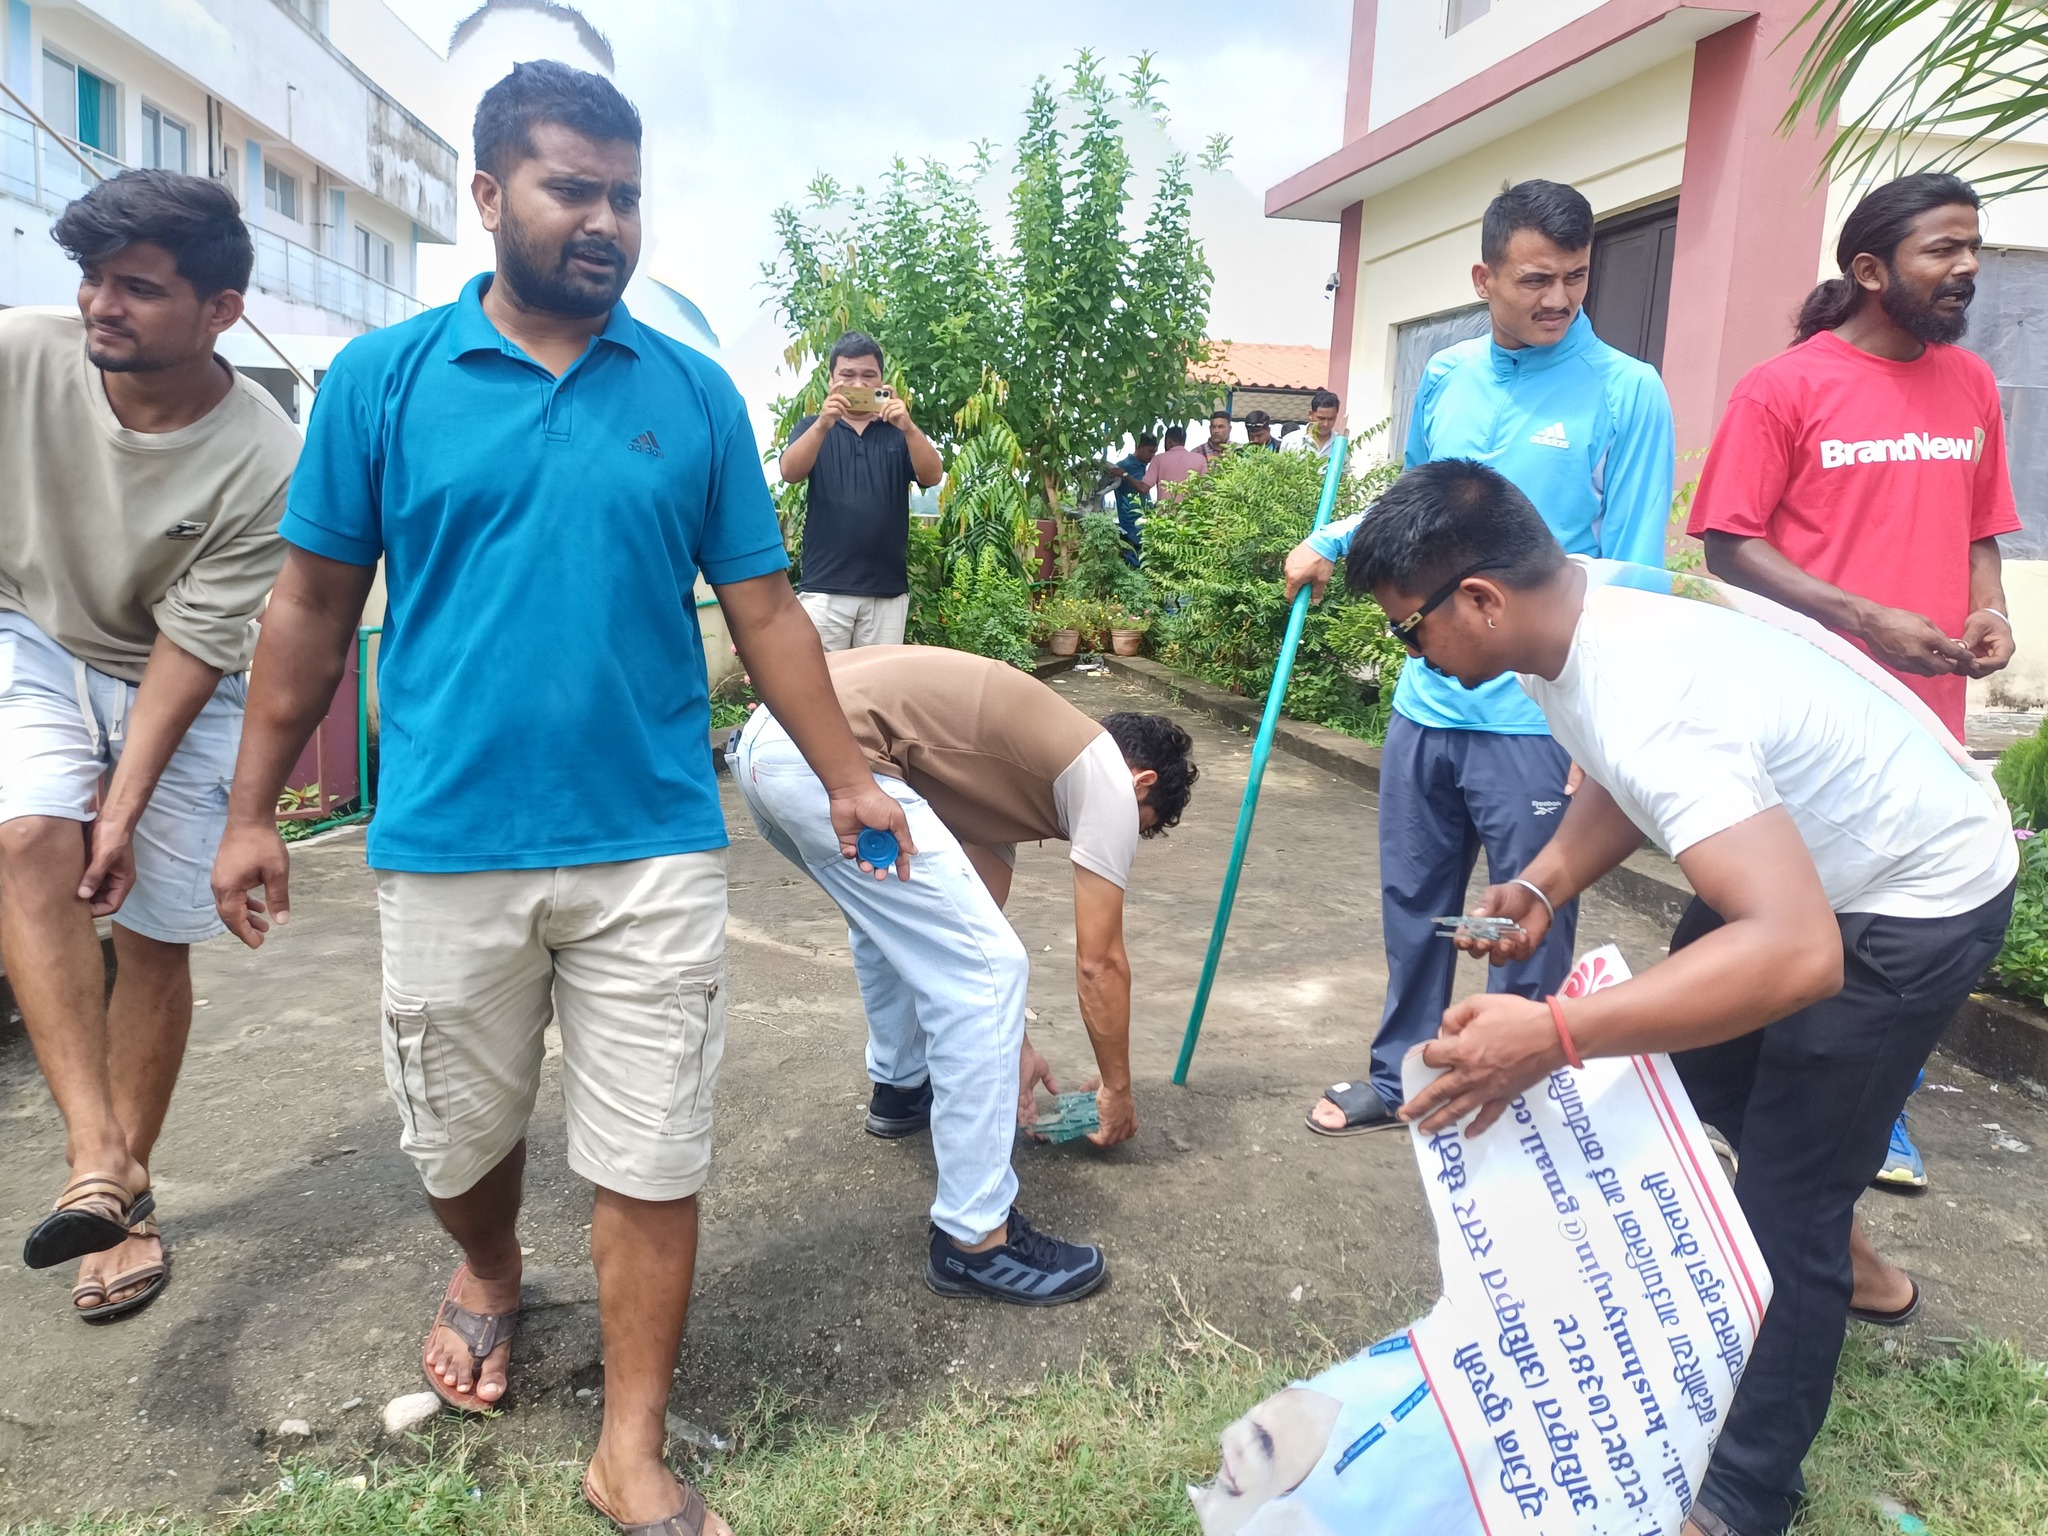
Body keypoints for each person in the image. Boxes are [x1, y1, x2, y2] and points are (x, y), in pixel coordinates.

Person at [208, 63, 910, 1536]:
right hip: (446, 837)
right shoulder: (385, 381)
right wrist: (251, 810)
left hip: (650, 836)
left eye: (626, 196)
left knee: (655, 1145)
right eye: (571, 189)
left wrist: (850, 777)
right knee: (454, 1142)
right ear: (487, 194)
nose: (605, 221)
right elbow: (311, 607)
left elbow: (766, 609)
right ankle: (489, 1262)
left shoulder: (691, 393)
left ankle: (627, 1448)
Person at [1355, 458, 2015, 1536]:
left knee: (1784, 1207)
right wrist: (1544, 882)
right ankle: (1851, 1256)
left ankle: (1743, 1495)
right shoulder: (1564, 624)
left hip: (1914, 893)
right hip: (1799, 861)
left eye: (1406, 627)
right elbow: (1624, 774)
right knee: (1690, 1087)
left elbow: (1795, 956)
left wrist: (1553, 1033)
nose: (1410, 651)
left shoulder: (1644, 690)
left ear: (1477, 599)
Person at [1283, 179, 1673, 1138]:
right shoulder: (1450, 374)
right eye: (1536, 279)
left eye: (1576, 278)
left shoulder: (1627, 391)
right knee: (1413, 899)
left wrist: (1605, 730)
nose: (1560, 299)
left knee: (1524, 914)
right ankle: (1402, 1074)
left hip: (1539, 716)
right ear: (1483, 278)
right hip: (1430, 696)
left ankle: (1517, 1094)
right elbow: (1415, 505)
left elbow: (1636, 569)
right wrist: (1331, 539)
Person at [0, 171, 298, 1323]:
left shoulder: (265, 455)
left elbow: (192, 644)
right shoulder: (21, 357)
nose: (99, 305)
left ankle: (127, 1190)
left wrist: (120, 812)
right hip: (30, 629)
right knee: (28, 839)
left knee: (151, 936)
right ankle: (99, 1161)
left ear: (220, 310)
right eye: (91, 278)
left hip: (177, 673)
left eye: (136, 287)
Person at [1690, 171, 2021, 1201]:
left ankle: (1871, 1115)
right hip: (1803, 719)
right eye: (1942, 249)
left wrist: (1990, 610)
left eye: (1972, 246)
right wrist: (1862, 616)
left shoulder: (1970, 385)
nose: (1967, 267)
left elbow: (1980, 528)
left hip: (1923, 721)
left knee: (1892, 934)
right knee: (1766, 913)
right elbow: (1727, 543)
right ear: (1871, 270)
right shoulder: (1783, 387)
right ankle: (1712, 1105)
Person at [731, 646, 1198, 1305]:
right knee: (989, 972)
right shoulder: (1104, 776)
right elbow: (1099, 964)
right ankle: (976, 1240)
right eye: (1140, 827)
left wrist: (1015, 1049)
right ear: (1141, 782)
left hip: (770, 746)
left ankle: (902, 1091)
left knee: (905, 934)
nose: (1122, 838)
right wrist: (1117, 1089)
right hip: (824, 759)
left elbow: (957, 940)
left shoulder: (998, 776)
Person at [777, 332, 944, 650]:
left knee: (877, 680)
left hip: (887, 594)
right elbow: (790, 472)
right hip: (824, 590)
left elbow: (932, 475)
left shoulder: (900, 432)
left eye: (869, 375)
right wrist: (824, 422)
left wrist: (908, 426)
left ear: (882, 380)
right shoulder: (812, 427)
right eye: (847, 374)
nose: (858, 383)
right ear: (831, 380)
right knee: (821, 677)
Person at [1109, 432, 1157, 561]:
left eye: (1154, 453)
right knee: (1134, 560)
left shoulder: (1146, 467)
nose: (1152, 456)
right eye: (1149, 451)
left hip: (1147, 521)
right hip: (1130, 524)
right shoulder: (1122, 467)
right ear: (1138, 446)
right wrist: (1124, 474)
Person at [1144, 424, 1207, 492]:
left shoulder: (1158, 459)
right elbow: (1206, 488)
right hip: (1191, 499)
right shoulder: (1200, 459)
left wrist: (1133, 479)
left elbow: (1144, 488)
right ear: (1184, 442)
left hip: (1166, 499)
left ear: (1168, 441)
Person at [1281, 389, 1342, 457]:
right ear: (1310, 415)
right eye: (1321, 418)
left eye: (1331, 419)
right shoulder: (1290, 441)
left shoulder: (1341, 444)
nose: (1326, 424)